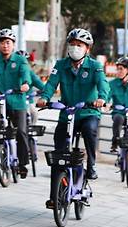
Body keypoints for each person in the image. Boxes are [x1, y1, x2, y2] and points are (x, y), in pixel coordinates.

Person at [37, 28, 109, 208]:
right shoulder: (61, 65)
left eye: (80, 45)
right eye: (73, 44)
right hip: (67, 114)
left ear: (87, 49)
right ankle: (54, 197)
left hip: (88, 112)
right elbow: (51, 83)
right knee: (58, 155)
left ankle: (91, 164)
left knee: (90, 130)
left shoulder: (95, 66)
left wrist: (101, 99)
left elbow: (103, 85)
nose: (75, 48)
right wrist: (45, 98)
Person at [0, 29, 31, 178]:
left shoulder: (20, 60)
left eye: (8, 42)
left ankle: (23, 164)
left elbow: (25, 74)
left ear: (13, 45)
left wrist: (25, 83)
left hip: (18, 102)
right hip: (0, 100)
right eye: (2, 42)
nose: (5, 46)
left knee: (21, 131)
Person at [17, 49, 45, 124]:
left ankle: (31, 131)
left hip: (28, 102)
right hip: (13, 101)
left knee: (34, 113)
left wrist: (42, 93)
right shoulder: (9, 72)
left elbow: (43, 87)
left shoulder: (31, 74)